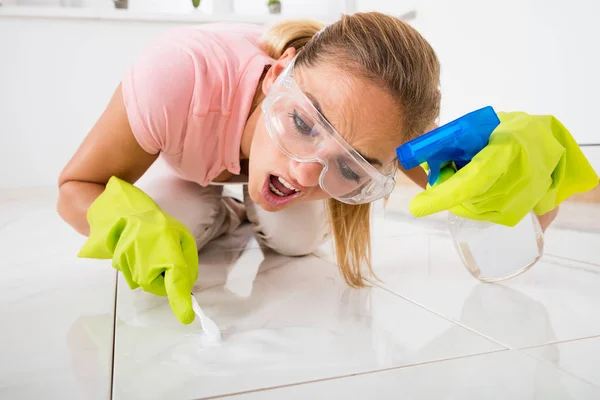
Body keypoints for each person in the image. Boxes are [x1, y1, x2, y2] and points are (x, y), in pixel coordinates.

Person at [57, 12, 599, 324]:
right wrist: (118, 218)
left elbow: (478, 191)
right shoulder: (177, 76)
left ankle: (247, 213)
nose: (305, 174)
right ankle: (223, 213)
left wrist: (547, 177)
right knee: (175, 216)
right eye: (304, 123)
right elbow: (75, 184)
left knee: (294, 240)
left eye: (352, 163)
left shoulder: (381, 129)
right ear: (277, 78)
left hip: (258, 175)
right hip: (188, 167)